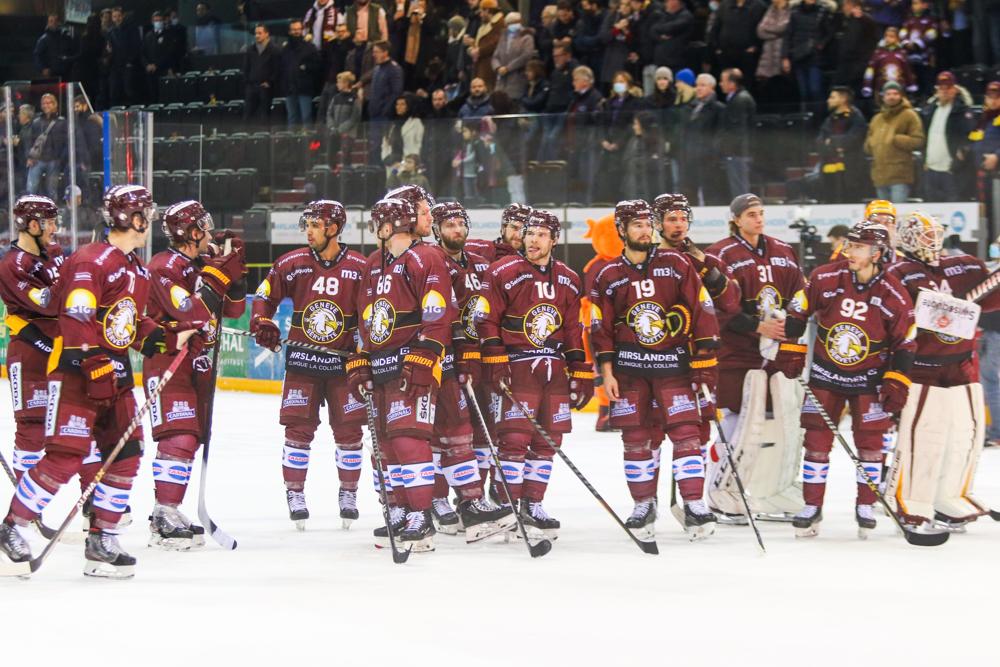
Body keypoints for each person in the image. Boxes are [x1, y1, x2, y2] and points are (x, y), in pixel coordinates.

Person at [0, 185, 199, 578]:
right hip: (77, 372)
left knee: (126, 454)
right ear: (133, 218)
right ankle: (13, 526)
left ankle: (101, 539)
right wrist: (92, 361)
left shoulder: (137, 269)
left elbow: (131, 323)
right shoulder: (91, 259)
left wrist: (172, 336)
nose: (149, 221)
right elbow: (76, 313)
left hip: (116, 373)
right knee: (65, 454)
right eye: (146, 214)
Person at [591, 199, 721, 540]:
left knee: (687, 434)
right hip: (629, 370)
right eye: (637, 225)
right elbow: (600, 328)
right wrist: (607, 372)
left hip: (673, 366)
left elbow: (702, 309)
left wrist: (704, 362)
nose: (646, 230)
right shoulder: (607, 275)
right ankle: (643, 505)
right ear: (621, 230)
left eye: (648, 224)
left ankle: (694, 504)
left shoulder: (676, 264)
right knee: (636, 440)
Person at [775, 221, 914, 537]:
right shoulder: (826, 276)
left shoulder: (893, 292)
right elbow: (798, 309)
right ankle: (812, 506)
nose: (849, 251)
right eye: (850, 245)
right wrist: (791, 348)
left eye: (858, 247)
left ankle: (865, 505)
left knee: (871, 445)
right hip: (826, 375)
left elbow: (905, 341)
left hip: (869, 380)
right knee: (816, 442)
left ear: (877, 253)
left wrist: (896, 380)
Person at [250, 201, 368, 530]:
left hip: (344, 365)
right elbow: (264, 296)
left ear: (334, 228)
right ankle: (295, 493)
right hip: (303, 362)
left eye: (316, 225)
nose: (309, 231)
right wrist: (262, 321)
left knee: (349, 432)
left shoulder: (360, 267)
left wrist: (368, 349)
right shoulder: (292, 263)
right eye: (308, 225)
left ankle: (349, 494)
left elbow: (373, 313)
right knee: (297, 432)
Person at [347, 196, 455, 552]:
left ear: (392, 224)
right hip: (380, 365)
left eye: (378, 221)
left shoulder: (426, 256)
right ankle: (400, 509)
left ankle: (421, 515)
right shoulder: (374, 262)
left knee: (409, 438)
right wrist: (361, 358)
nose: (374, 227)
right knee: (386, 444)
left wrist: (426, 354)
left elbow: (437, 311)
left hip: (412, 361)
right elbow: (365, 317)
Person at [478, 209, 592, 539]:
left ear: (554, 239)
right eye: (529, 233)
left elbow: (573, 329)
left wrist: (580, 370)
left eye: (541, 234)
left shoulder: (569, 277)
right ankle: (506, 505)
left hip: (553, 369)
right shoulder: (503, 271)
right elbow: (486, 319)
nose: (532, 240)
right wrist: (496, 359)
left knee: (547, 441)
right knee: (514, 439)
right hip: (517, 366)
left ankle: (533, 503)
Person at [885, 212, 1000, 531]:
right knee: (924, 437)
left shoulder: (965, 264)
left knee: (966, 435)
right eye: (925, 234)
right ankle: (910, 500)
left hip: (962, 363)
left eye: (935, 232)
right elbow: (900, 317)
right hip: (922, 367)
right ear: (908, 237)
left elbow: (989, 301)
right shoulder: (897, 273)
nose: (933, 239)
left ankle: (951, 495)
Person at [143, 201, 246, 549]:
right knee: (179, 436)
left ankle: (170, 508)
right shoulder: (163, 266)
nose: (210, 230)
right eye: (204, 225)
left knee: (192, 437)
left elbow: (234, 310)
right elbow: (190, 311)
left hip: (198, 365)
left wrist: (235, 277)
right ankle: (163, 513)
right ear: (191, 232)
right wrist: (217, 276)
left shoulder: (201, 264)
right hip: (169, 361)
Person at [704, 194, 808, 521]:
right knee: (738, 422)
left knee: (778, 422)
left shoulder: (784, 251)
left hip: (776, 352)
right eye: (751, 214)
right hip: (736, 354)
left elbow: (800, 296)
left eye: (761, 213)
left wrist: (792, 323)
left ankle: (768, 491)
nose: (759, 219)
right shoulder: (719, 254)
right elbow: (715, 307)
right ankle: (719, 490)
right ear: (736, 219)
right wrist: (756, 326)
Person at [425, 201, 516, 538]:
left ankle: (471, 499)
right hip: (446, 359)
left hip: (479, 359)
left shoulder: (480, 264)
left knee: (480, 433)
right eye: (449, 225)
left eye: (461, 224)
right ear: (437, 230)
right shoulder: (431, 262)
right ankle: (437, 499)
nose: (457, 230)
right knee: (443, 434)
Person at [0, 196, 65, 488]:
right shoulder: (11, 265)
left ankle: (93, 501)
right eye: (49, 222)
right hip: (30, 353)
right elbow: (48, 303)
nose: (54, 228)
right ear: (32, 225)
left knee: (80, 425)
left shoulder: (55, 252)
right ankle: (25, 500)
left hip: (63, 349)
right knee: (33, 427)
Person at [864, 81, 925, 202]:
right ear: (883, 97)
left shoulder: (909, 115)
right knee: (884, 212)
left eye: (895, 93)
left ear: (901, 96)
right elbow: (867, 143)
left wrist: (897, 139)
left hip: (900, 176)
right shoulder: (876, 119)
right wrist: (871, 144)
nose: (891, 96)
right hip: (879, 175)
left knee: (898, 211)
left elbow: (918, 140)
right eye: (888, 94)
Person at [919, 71, 974, 202]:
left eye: (948, 88)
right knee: (931, 209)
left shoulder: (962, 111)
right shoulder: (929, 110)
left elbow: (971, 137)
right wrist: (924, 159)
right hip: (931, 169)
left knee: (953, 206)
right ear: (937, 90)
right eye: (941, 88)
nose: (944, 91)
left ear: (955, 89)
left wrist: (960, 156)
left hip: (951, 171)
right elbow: (923, 136)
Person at [817, 86, 868, 203]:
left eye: (832, 97)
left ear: (843, 99)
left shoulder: (856, 117)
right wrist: (835, 146)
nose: (828, 100)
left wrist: (831, 141)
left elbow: (853, 139)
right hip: (829, 169)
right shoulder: (830, 119)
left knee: (850, 200)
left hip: (851, 170)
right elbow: (820, 141)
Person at [781, 0, 833, 111]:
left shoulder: (822, 11)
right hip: (798, 56)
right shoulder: (795, 12)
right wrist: (785, 57)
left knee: (815, 90)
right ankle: (805, 117)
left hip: (815, 57)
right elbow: (788, 35)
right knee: (804, 92)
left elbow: (829, 32)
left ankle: (819, 116)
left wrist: (820, 44)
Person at [682, 73, 724, 205]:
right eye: (697, 85)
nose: (698, 88)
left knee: (710, 192)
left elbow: (719, 134)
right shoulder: (690, 107)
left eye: (703, 85)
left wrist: (713, 154)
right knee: (689, 191)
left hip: (708, 158)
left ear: (712, 88)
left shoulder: (718, 108)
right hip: (690, 156)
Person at [719, 69, 755, 200]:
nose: (720, 83)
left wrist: (730, 149)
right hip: (736, 151)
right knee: (737, 187)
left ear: (732, 83)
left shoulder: (740, 100)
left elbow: (738, 129)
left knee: (740, 188)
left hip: (738, 152)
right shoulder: (735, 98)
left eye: (723, 80)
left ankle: (744, 211)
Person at [25, 94, 67, 203]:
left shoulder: (62, 122)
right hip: (37, 160)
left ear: (55, 104)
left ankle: (51, 211)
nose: (46, 105)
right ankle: (29, 210)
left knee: (51, 190)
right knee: (30, 189)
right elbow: (30, 141)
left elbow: (66, 143)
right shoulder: (36, 122)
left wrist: (61, 159)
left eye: (49, 103)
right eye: (44, 103)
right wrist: (29, 157)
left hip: (54, 160)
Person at [709, 0, 767, 78]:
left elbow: (762, 29)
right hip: (725, 54)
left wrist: (755, 47)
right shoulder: (725, 4)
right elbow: (716, 27)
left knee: (746, 80)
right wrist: (717, 48)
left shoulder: (759, 6)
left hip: (748, 54)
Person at [833, 0, 879, 92]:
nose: (843, 8)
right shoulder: (848, 20)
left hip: (858, 65)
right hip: (846, 64)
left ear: (850, 5)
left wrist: (862, 17)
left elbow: (871, 35)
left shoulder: (864, 20)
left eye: (844, 5)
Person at [282, 20, 322, 128]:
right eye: (294, 29)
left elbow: (318, 65)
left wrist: (306, 67)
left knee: (306, 118)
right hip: (290, 89)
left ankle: (306, 139)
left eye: (298, 29)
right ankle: (292, 139)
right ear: (289, 31)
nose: (296, 32)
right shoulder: (285, 49)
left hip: (304, 89)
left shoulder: (310, 47)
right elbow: (282, 68)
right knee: (292, 118)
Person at [861, 26, 916, 98]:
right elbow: (870, 71)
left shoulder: (902, 53)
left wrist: (911, 85)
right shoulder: (878, 53)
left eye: (891, 36)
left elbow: (907, 71)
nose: (888, 39)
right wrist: (867, 85)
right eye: (886, 36)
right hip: (881, 88)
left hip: (899, 88)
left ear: (897, 38)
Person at [492, 12, 535, 101]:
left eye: (514, 22)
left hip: (517, 80)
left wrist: (508, 68)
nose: (511, 25)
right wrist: (498, 67)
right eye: (509, 23)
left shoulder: (527, 37)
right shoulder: (503, 37)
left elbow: (526, 55)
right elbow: (495, 56)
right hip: (501, 82)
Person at [243, 24, 280, 124]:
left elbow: (277, 69)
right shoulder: (250, 50)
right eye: (256, 33)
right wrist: (248, 82)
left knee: (264, 116)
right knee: (247, 116)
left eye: (260, 33)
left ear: (267, 34)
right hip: (252, 87)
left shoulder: (274, 50)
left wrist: (269, 82)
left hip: (266, 88)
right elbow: (246, 67)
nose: (257, 35)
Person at [141, 11, 178, 103]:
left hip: (163, 70)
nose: (158, 22)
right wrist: (147, 65)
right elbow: (142, 53)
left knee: (165, 96)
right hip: (150, 71)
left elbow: (169, 53)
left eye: (160, 20)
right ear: (152, 22)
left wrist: (156, 65)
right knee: (153, 95)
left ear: (163, 21)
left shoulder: (168, 35)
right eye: (156, 21)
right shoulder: (148, 35)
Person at [471, 0, 504, 88]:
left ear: (487, 11)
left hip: (489, 66)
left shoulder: (499, 24)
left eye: (481, 12)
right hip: (482, 65)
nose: (480, 15)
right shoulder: (486, 25)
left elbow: (496, 43)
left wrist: (480, 51)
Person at [33, 13, 76, 79]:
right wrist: (42, 68)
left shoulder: (66, 37)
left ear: (59, 22)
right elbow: (37, 55)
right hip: (51, 74)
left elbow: (71, 52)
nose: (54, 23)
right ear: (48, 23)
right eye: (51, 21)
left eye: (56, 21)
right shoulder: (43, 39)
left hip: (67, 73)